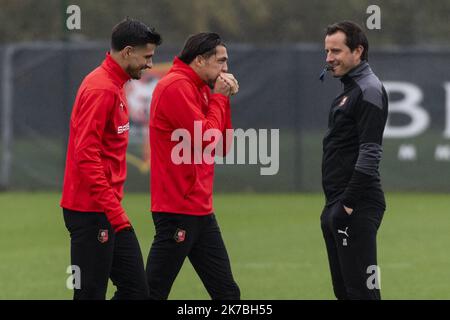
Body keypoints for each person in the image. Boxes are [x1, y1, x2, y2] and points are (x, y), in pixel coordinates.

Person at [60, 18, 162, 300]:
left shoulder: (115, 85)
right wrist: (113, 211)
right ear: (128, 52)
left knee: (136, 291)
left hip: (106, 210)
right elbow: (86, 156)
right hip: (92, 211)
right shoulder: (101, 89)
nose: (150, 65)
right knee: (90, 294)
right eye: (147, 57)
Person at [146, 32, 240, 300]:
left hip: (199, 208)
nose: (225, 69)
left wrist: (223, 101)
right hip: (177, 208)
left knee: (227, 293)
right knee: (152, 292)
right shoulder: (176, 86)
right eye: (221, 61)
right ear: (200, 59)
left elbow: (222, 146)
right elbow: (206, 139)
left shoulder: (197, 87)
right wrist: (220, 98)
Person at [320, 21, 388, 300]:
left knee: (362, 294)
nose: (329, 58)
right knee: (345, 293)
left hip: (355, 204)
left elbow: (370, 153)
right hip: (338, 203)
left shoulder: (369, 89)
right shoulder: (349, 90)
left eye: (336, 50)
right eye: (327, 51)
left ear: (357, 51)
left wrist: (346, 204)